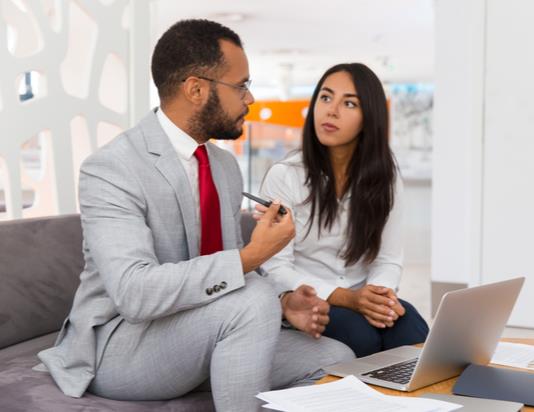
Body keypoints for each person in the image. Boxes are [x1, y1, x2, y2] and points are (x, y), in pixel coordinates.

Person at [37, 19, 353, 412]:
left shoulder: (222, 165)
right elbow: (135, 294)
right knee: (250, 298)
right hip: (122, 344)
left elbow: (227, 272)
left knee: (335, 358)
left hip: (202, 329)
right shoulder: (111, 168)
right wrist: (252, 257)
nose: (250, 98)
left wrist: (284, 301)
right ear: (196, 89)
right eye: (241, 86)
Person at [258, 63, 429, 358]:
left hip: (360, 294)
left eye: (349, 103)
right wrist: (348, 299)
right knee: (360, 336)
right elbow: (276, 269)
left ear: (369, 118)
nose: (331, 111)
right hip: (308, 301)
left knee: (412, 330)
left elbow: (388, 260)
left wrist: (377, 298)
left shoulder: (386, 181)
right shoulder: (285, 176)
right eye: (325, 98)